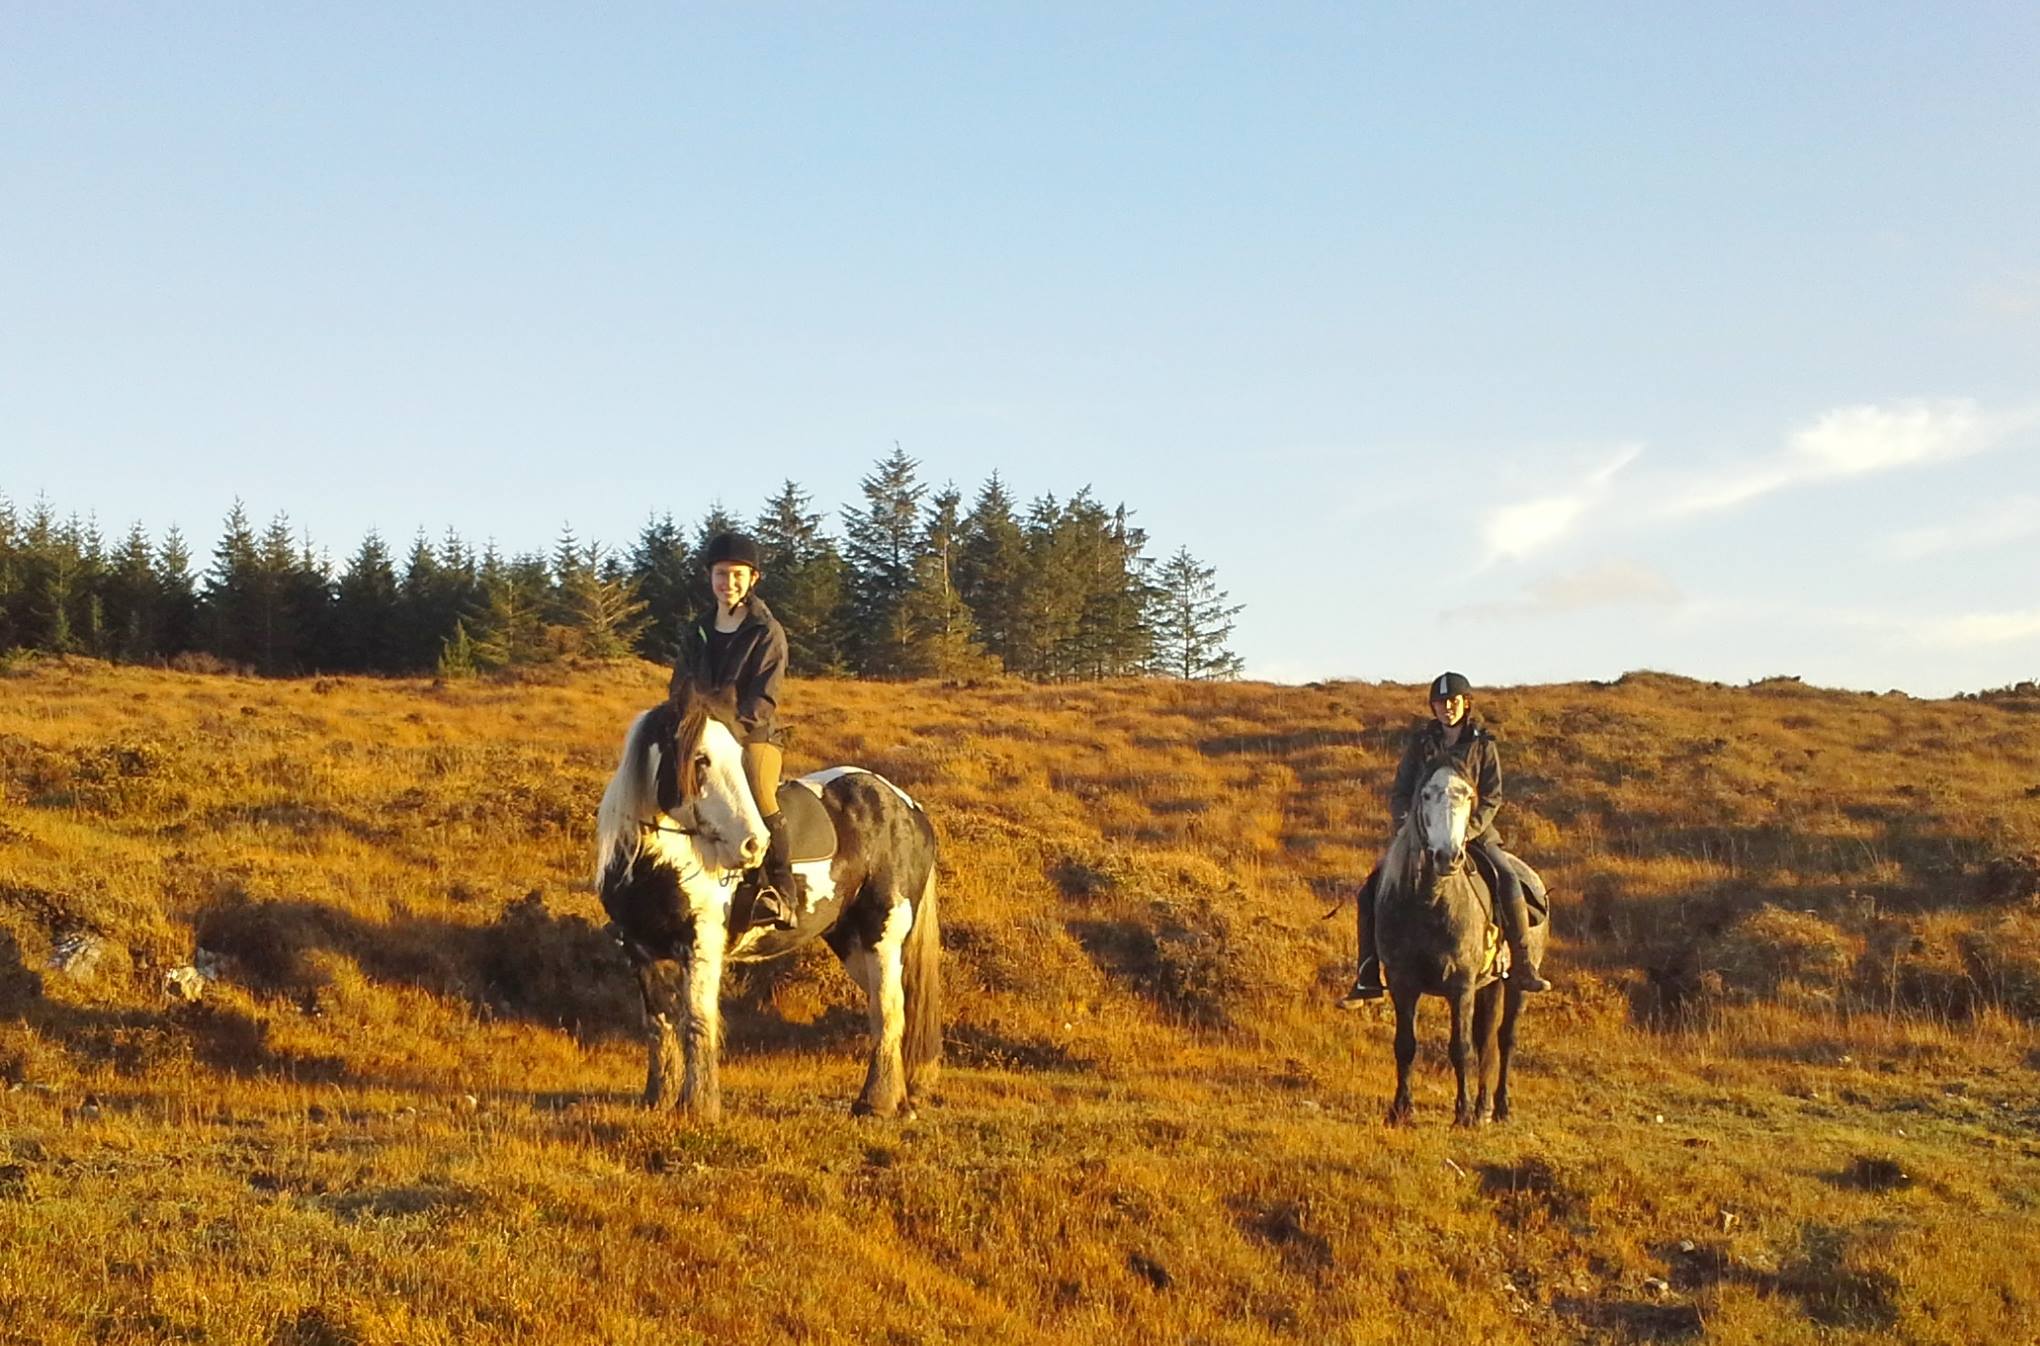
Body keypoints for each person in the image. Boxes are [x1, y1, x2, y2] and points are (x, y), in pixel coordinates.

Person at [1338, 671, 1551, 1005]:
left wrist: (1468, 831)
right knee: (1372, 887)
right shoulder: (1421, 743)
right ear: (1433, 707)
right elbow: (1401, 791)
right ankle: (1367, 974)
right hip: (1421, 834)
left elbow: (1492, 796)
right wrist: (1406, 825)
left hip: (1472, 833)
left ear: (1465, 704)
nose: (1446, 708)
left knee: (1508, 877)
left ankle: (1523, 963)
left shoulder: (1482, 744)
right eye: (1440, 703)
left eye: (1453, 702)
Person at [668, 532, 799, 928]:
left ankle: (780, 888)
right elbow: (680, 685)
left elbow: (764, 699)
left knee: (758, 793)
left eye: (737, 574)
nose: (729, 582)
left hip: (751, 735)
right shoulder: (698, 629)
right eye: (721, 574)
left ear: (753, 578)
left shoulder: (767, 631)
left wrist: (727, 733)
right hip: (700, 734)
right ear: (710, 577)